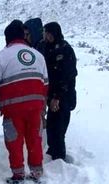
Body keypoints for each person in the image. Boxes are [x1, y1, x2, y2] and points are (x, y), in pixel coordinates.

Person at [0, 20, 49, 184]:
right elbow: (45, 83)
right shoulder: (38, 55)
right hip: (35, 107)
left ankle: (18, 175)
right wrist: (42, 106)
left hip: (13, 108)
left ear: (7, 38)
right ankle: (36, 172)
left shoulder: (1, 57)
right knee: (34, 139)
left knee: (14, 141)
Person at [43, 22, 77, 161]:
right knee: (51, 128)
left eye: (49, 33)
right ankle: (52, 154)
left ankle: (59, 159)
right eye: (46, 33)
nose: (47, 36)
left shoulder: (65, 49)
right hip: (52, 97)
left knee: (59, 130)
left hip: (64, 97)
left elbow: (68, 76)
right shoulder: (47, 48)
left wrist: (57, 97)